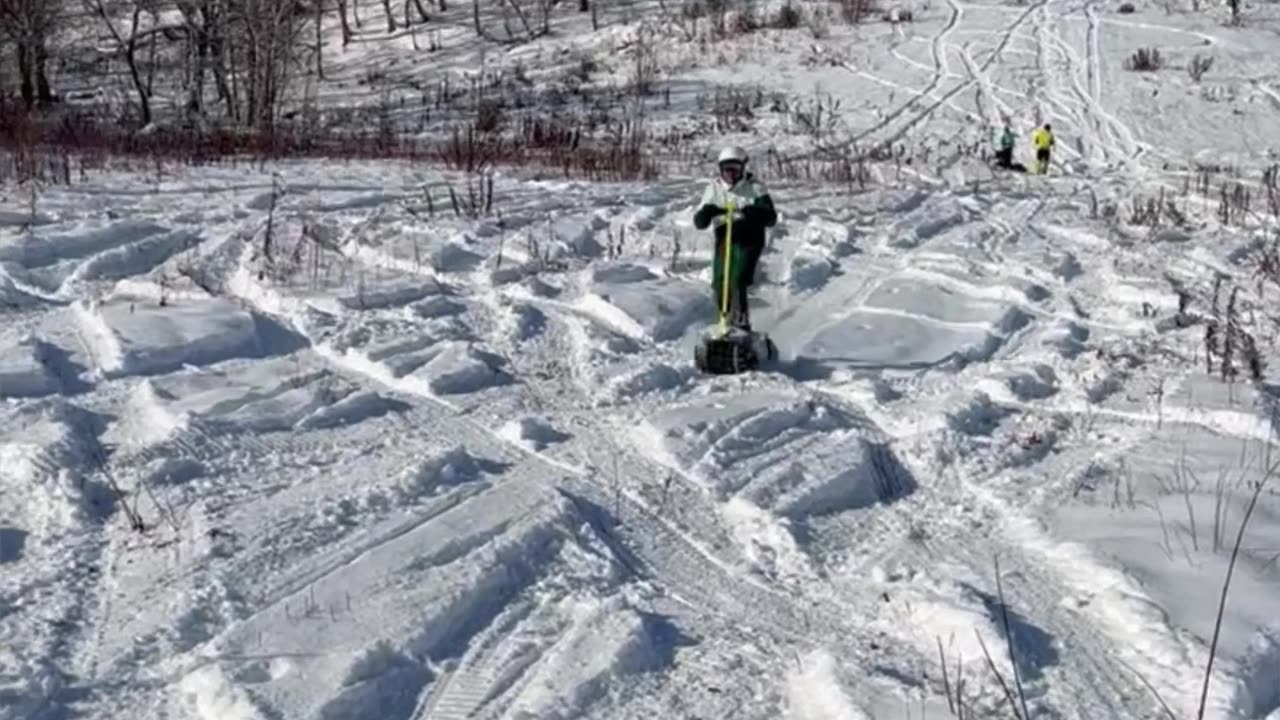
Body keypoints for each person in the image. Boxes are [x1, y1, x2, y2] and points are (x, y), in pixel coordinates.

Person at [692, 145, 777, 332]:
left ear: (743, 168)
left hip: (750, 238)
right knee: (720, 281)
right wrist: (706, 213)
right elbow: (699, 221)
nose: (730, 175)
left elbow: (771, 218)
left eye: (735, 169)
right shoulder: (713, 189)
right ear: (720, 170)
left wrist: (755, 212)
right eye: (726, 169)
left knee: (737, 278)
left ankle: (741, 322)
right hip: (725, 237)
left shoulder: (755, 187)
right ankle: (725, 319)